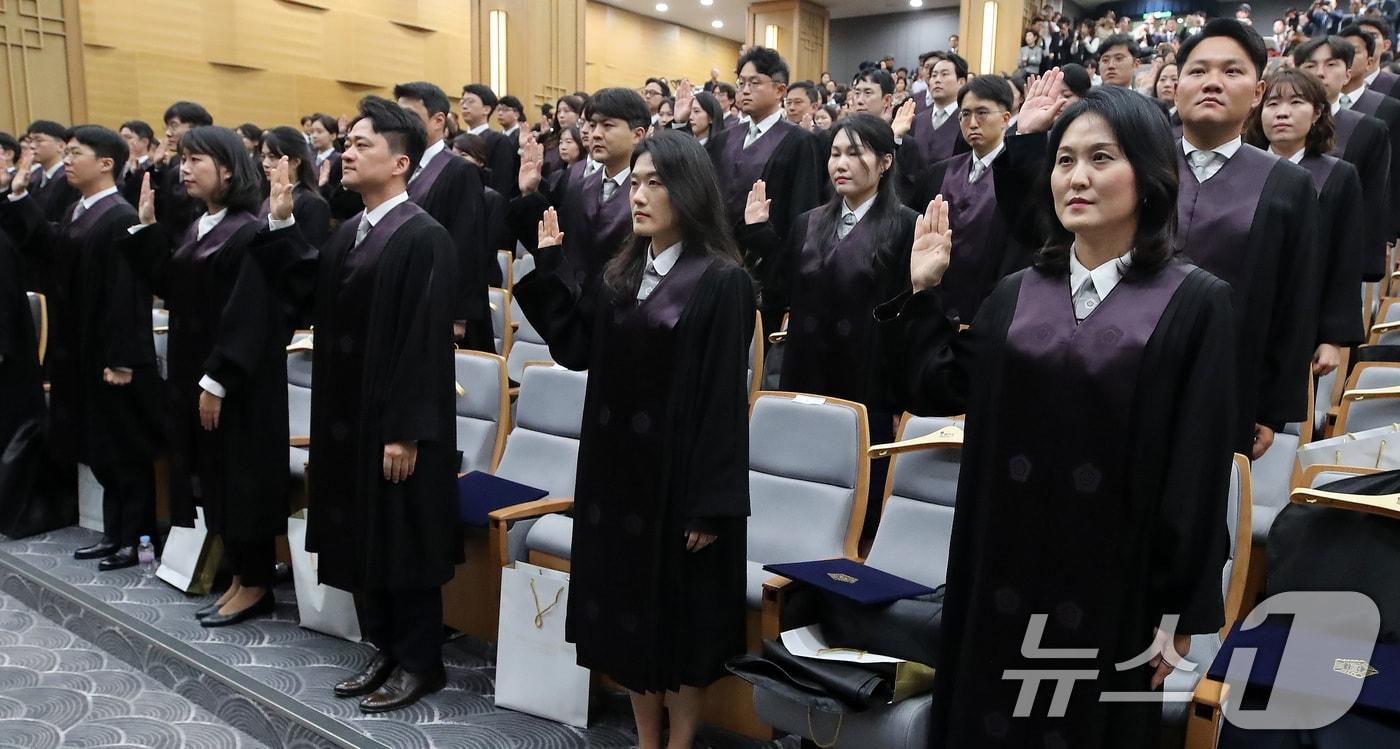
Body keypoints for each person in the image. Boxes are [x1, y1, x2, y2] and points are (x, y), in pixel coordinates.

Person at [881, 86, 1236, 749]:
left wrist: (1181, 611)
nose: (1077, 176)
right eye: (1064, 159)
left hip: (1111, 586)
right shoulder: (1018, 291)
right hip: (999, 570)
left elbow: (1198, 467)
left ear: (1151, 172)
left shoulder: (1195, 301)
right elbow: (937, 386)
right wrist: (923, 290)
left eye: (1102, 157)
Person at [514, 131, 753, 749]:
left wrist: (710, 502)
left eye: (655, 183)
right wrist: (548, 267)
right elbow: (574, 348)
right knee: (629, 619)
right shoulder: (622, 269)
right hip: (616, 477)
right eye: (636, 182)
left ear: (690, 190)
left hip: (677, 481)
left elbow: (723, 402)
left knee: (678, 622)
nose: (639, 196)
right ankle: (647, 738)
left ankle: (681, 741)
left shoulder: (722, 280)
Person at [249, 96, 460, 712]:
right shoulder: (350, 234)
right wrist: (283, 225)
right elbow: (307, 300)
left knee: (402, 539)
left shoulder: (424, 235)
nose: (347, 151)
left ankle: (421, 661)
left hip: (395, 423)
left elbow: (425, 342)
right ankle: (385, 647)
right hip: (346, 417)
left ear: (399, 162)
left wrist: (405, 431)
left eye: (362, 144)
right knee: (365, 536)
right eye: (347, 142)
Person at [125, 126, 292, 625]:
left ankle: (257, 581)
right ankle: (240, 575)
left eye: (197, 159)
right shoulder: (200, 226)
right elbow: (175, 290)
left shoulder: (247, 230)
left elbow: (251, 314)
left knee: (242, 480)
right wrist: (148, 229)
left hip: (239, 384)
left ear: (227, 169)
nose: (185, 168)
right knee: (216, 479)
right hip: (198, 376)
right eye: (183, 159)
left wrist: (218, 379)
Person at [738, 114, 915, 532]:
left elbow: (907, 319)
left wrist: (897, 398)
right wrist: (758, 234)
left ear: (886, 161)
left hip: (865, 373)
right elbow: (780, 290)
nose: (841, 164)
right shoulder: (809, 221)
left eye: (855, 153)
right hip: (806, 366)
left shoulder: (905, 224)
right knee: (801, 473)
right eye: (835, 153)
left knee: (854, 489)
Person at [1, 126, 163, 570]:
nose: (67, 161)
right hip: (80, 351)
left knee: (125, 452)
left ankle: (139, 539)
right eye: (67, 153)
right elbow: (49, 249)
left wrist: (123, 358)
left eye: (76, 153)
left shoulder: (118, 214)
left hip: (110, 356)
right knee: (102, 450)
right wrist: (18, 199)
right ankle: (115, 534)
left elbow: (127, 294)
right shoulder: (79, 209)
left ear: (106, 163)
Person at [1169, 19, 1320, 457]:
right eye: (1198, 72)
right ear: (1177, 86)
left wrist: (1271, 408)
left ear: (1256, 94)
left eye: (1231, 72)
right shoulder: (1139, 165)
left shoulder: (1287, 184)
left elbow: (1296, 300)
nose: (1212, 83)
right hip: (1127, 367)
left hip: (1230, 383)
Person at [1244, 67, 1366, 375]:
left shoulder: (1339, 175)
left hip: (1303, 319)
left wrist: (1332, 338)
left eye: (1296, 103)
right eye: (1272, 104)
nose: (1282, 113)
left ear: (1316, 114)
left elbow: (1344, 259)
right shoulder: (1242, 170)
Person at [703, 46, 824, 336]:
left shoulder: (799, 142)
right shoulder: (723, 139)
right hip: (716, 260)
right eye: (741, 83)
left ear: (780, 89)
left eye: (755, 82)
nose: (745, 89)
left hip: (768, 269)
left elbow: (802, 212)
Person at [907, 76, 1032, 325]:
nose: (972, 123)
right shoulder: (939, 173)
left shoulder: (1021, 176)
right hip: (938, 303)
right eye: (965, 114)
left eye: (982, 112)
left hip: (991, 308)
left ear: (1006, 118)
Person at [514, 88, 649, 295]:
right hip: (577, 307)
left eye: (607, 125)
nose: (594, 134)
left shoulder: (653, 193)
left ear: (637, 134)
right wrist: (530, 192)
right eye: (592, 124)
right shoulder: (579, 185)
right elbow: (557, 242)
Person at [394, 81, 493, 351]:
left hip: (443, 301)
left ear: (439, 120)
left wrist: (458, 314)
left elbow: (467, 243)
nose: (403, 125)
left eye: (411, 117)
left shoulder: (459, 170)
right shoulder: (399, 166)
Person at [1296, 35, 1394, 282]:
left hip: (1339, 259)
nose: (1320, 73)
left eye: (1331, 65)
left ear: (1348, 74)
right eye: (1310, 65)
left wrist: (1366, 265)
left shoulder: (1368, 129)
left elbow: (1373, 200)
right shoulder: (1272, 122)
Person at [895, 52, 971, 190]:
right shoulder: (916, 119)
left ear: (961, 82)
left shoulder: (968, 121)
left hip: (951, 196)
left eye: (944, 74)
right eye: (934, 75)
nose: (937, 80)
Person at [257, 126, 331, 248]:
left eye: (272, 157)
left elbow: (310, 255)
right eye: (262, 156)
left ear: (296, 161)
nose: (265, 163)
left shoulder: (313, 204)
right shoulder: (266, 194)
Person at [150, 101, 214, 238]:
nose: (167, 133)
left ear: (196, 127)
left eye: (174, 125)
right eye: (166, 126)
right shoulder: (174, 164)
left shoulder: (211, 166)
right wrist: (157, 167)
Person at [23, 120, 80, 223]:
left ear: (61, 146)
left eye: (38, 140)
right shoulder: (35, 176)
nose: (31, 146)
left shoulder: (68, 178)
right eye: (30, 141)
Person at [118, 120, 156, 206]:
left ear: (144, 142)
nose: (122, 141)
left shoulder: (152, 167)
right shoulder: (118, 165)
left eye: (128, 137)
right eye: (120, 137)